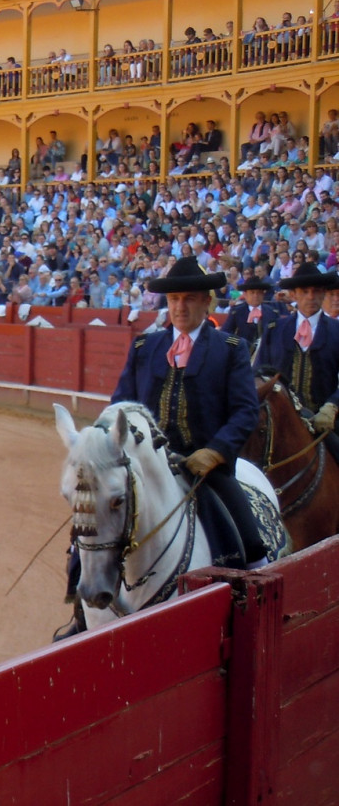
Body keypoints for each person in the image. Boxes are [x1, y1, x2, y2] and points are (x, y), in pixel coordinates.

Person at [56, 258, 268, 639]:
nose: (181, 307)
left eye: (189, 298)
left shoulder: (230, 348)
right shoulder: (146, 346)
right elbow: (119, 404)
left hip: (206, 469)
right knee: (90, 528)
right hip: (145, 467)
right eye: (174, 299)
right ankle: (81, 613)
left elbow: (244, 411)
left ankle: (254, 606)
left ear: (208, 303)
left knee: (247, 539)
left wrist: (215, 451)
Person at [254, 262, 339, 466]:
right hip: (278, 422)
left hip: (324, 423)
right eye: (304, 291)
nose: (311, 297)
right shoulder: (275, 329)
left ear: (323, 294)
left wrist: (332, 406)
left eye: (316, 291)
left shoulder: (337, 331)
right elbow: (257, 373)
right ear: (294, 295)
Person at [219, 276, 279, 352]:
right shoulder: (237, 311)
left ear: (263, 294)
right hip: (243, 353)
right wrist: (240, 343)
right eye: (252, 292)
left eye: (259, 292)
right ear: (245, 294)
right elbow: (225, 333)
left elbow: (278, 335)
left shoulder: (272, 312)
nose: (256, 296)